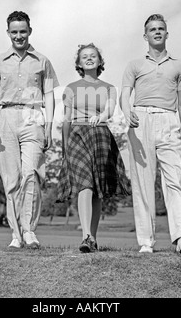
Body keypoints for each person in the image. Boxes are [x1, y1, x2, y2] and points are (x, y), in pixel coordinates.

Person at [120, 14, 181, 255]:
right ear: (145, 36)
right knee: (142, 182)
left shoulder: (179, 65)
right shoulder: (134, 65)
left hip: (168, 119)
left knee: (175, 179)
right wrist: (127, 112)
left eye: (161, 28)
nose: (157, 32)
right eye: (152, 29)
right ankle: (146, 241)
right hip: (140, 120)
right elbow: (125, 94)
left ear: (166, 33)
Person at [0, 10, 59, 249]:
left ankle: (29, 231)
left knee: (32, 174)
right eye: (14, 32)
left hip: (33, 116)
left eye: (22, 31)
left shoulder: (42, 61)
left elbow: (49, 94)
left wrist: (48, 125)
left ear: (30, 31)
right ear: (8, 33)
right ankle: (16, 234)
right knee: (11, 179)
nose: (19, 36)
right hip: (6, 118)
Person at [57, 43, 131, 253]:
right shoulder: (71, 88)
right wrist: (64, 147)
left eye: (93, 56)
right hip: (77, 136)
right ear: (79, 63)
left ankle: (93, 238)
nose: (89, 59)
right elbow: (66, 119)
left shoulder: (109, 88)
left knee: (97, 189)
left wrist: (101, 116)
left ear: (99, 61)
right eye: (84, 57)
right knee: (85, 185)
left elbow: (110, 109)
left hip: (100, 136)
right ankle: (85, 236)